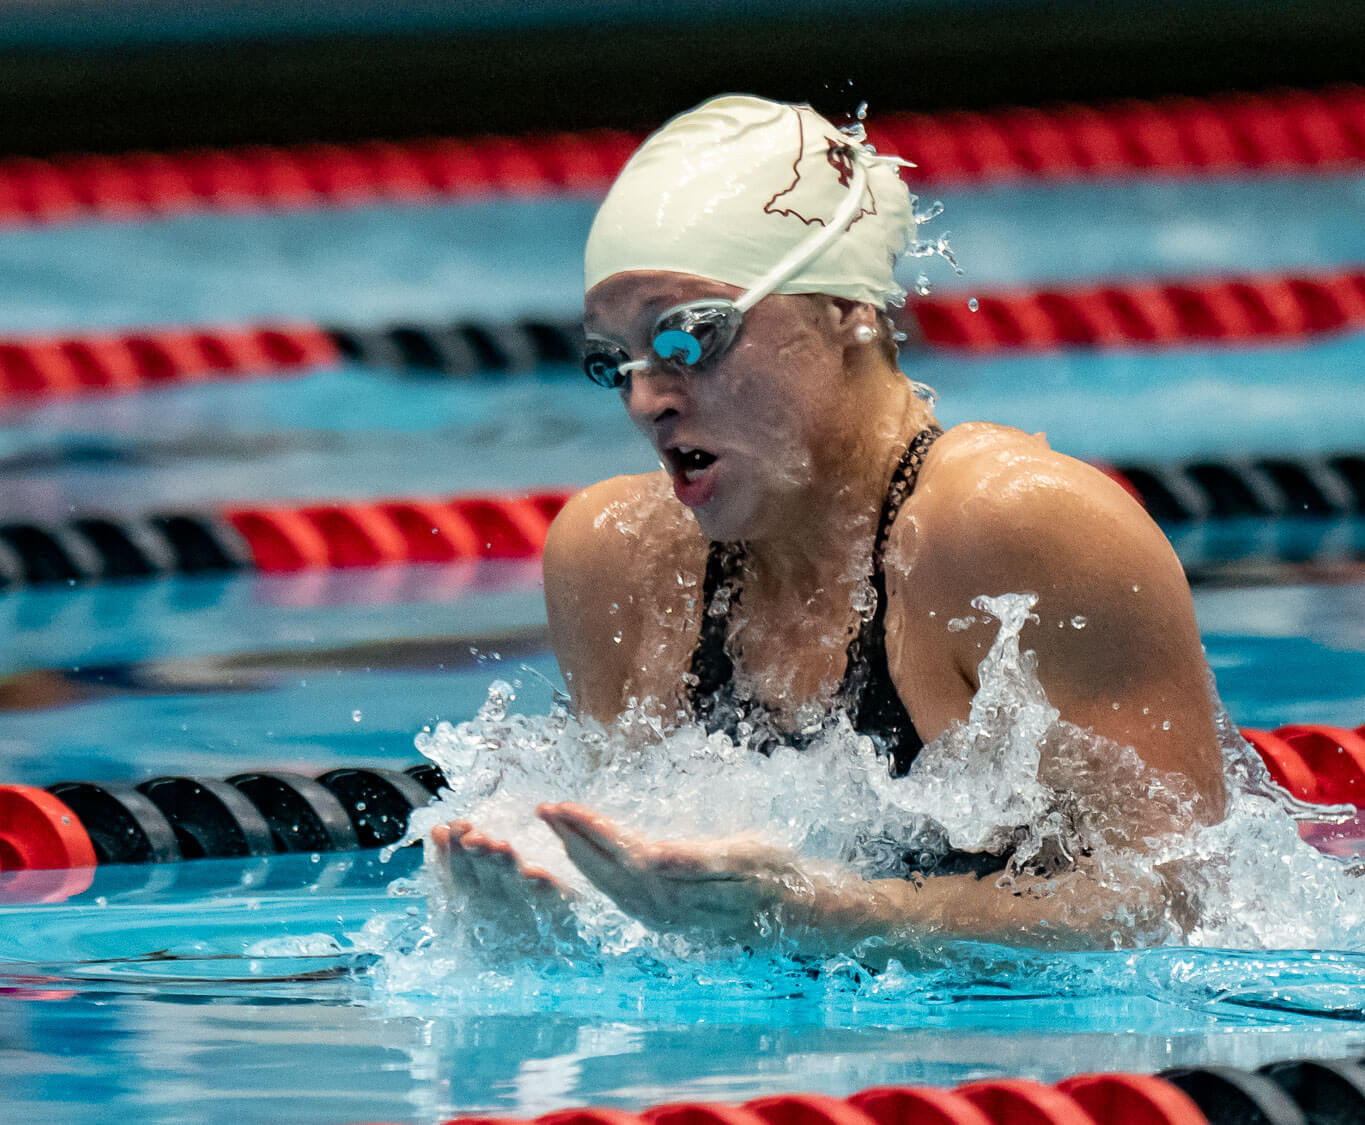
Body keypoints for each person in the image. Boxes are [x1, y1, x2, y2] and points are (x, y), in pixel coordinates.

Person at [430, 95, 1227, 955]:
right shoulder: (618, 560)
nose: (646, 398)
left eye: (691, 337)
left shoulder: (1016, 530)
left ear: (847, 308)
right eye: (610, 362)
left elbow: (1172, 909)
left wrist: (828, 917)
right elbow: (662, 917)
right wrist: (552, 929)